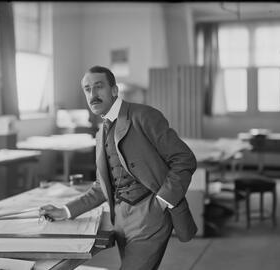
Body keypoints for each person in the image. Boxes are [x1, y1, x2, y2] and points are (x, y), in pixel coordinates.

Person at [40, 65, 198, 270]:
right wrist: (65, 211)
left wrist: (162, 201)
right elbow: (100, 188)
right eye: (87, 89)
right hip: (120, 217)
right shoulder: (100, 133)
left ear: (114, 90)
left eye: (98, 87)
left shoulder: (144, 116)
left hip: (150, 214)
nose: (93, 94)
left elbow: (184, 159)